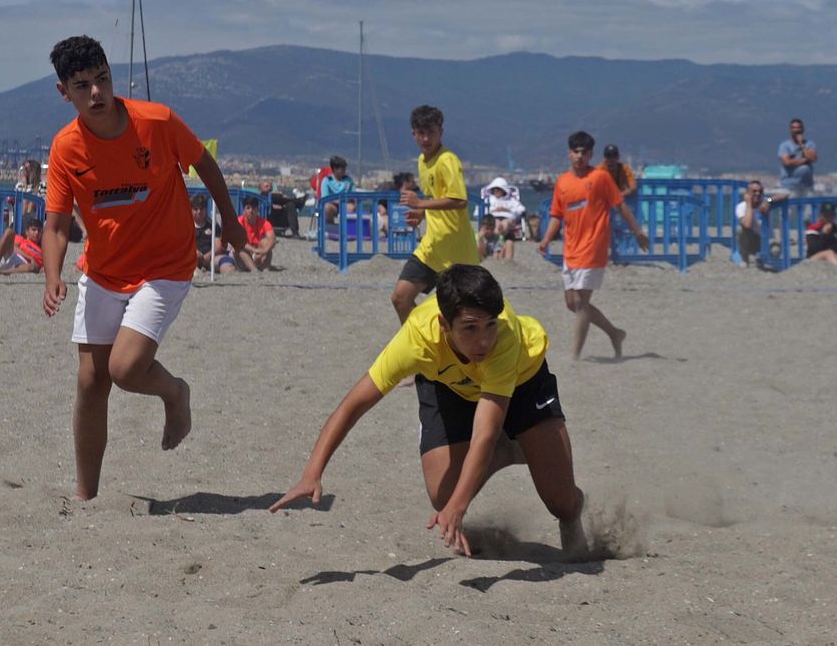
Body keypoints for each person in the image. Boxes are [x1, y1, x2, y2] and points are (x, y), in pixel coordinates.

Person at [39, 35, 248, 502]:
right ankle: (86, 496)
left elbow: (206, 166)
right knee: (91, 382)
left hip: (165, 266)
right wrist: (53, 277)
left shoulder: (157, 121)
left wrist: (231, 224)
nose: (96, 93)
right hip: (103, 272)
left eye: (103, 80)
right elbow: (54, 226)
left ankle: (175, 393)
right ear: (64, 93)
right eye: (82, 86)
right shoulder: (66, 148)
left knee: (126, 368)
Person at [271, 264, 587, 558]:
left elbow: (486, 430)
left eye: (490, 325)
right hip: (450, 386)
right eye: (470, 328)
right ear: (443, 324)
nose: (484, 339)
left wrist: (458, 509)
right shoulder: (416, 339)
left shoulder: (504, 338)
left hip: (523, 380)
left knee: (561, 502)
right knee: (442, 495)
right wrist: (312, 473)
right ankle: (511, 450)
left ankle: (565, 506)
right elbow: (354, 404)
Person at [536, 131, 651, 360]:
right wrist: (547, 239)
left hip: (594, 248)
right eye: (575, 152)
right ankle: (614, 333)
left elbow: (620, 205)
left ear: (590, 154)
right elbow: (557, 215)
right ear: (569, 154)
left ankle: (574, 358)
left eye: (584, 152)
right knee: (572, 304)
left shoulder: (600, 178)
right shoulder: (563, 182)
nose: (579, 156)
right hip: (571, 250)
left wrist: (637, 231)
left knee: (581, 303)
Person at [393, 106, 481, 323]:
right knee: (400, 299)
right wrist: (421, 212)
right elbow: (436, 195)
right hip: (432, 247)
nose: (425, 138)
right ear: (413, 134)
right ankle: (419, 343)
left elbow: (460, 200)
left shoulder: (447, 160)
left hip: (457, 253)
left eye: (431, 132)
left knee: (460, 317)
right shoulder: (422, 161)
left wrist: (421, 202)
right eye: (421, 132)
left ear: (440, 132)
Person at [224, 196, 276, 272]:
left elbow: (272, 238)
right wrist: (255, 250)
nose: (251, 211)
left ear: (257, 210)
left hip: (258, 254)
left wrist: (264, 250)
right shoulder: (239, 221)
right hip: (243, 255)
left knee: (266, 243)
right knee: (238, 248)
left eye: (254, 208)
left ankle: (265, 269)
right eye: (248, 208)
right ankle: (254, 270)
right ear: (244, 210)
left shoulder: (264, 222)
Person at [802, 203, 837, 271]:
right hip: (813, 258)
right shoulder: (813, 229)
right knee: (828, 253)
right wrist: (824, 234)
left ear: (835, 215)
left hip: (833, 258)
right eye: (826, 215)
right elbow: (813, 249)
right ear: (821, 216)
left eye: (832, 215)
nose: (829, 218)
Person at [735, 180, 770, 268]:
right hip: (751, 240)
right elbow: (747, 224)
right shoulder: (741, 206)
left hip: (766, 239)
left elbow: (783, 195)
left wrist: (769, 200)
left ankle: (761, 259)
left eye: (760, 191)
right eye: (754, 191)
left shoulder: (766, 203)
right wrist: (749, 203)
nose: (758, 194)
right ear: (748, 193)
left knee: (775, 251)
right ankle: (745, 259)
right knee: (740, 230)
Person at [778, 119, 817, 197]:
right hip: (790, 186)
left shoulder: (810, 144)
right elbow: (787, 162)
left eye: (798, 127)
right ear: (790, 130)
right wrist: (805, 159)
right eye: (794, 128)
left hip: (807, 186)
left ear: (802, 129)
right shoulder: (785, 146)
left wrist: (802, 144)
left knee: (808, 208)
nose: (796, 130)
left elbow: (813, 158)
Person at [320, 156, 354, 223]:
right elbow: (325, 198)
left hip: (345, 204)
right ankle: (330, 225)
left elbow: (353, 195)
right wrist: (337, 201)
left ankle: (346, 227)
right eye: (342, 168)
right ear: (335, 169)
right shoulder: (327, 180)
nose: (344, 170)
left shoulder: (348, 180)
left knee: (351, 207)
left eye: (344, 168)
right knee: (327, 208)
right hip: (332, 205)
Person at [190, 194, 219, 271]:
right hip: (191, 258)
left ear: (206, 209)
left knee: (225, 263)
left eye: (202, 208)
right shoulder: (185, 226)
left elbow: (218, 246)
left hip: (210, 258)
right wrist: (194, 253)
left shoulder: (213, 225)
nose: (199, 212)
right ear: (191, 209)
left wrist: (209, 255)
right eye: (196, 209)